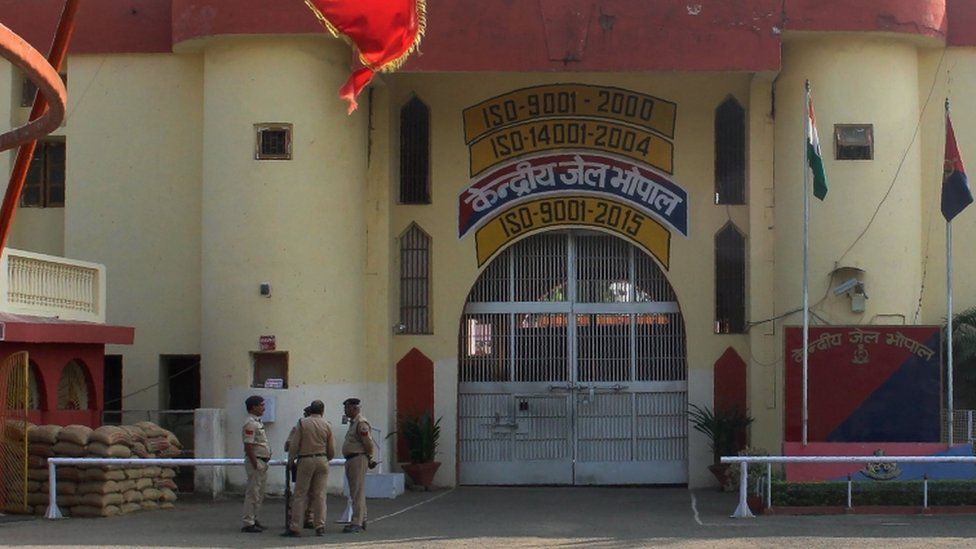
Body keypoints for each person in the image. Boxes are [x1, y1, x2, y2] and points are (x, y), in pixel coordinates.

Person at [282, 400, 336, 537]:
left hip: (306, 459)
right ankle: (320, 526)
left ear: (310, 410)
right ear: (322, 411)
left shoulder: (302, 423)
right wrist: (327, 458)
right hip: (322, 459)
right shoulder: (327, 425)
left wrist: (291, 459)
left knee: (300, 494)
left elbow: (294, 444)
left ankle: (295, 527)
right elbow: (331, 448)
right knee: (320, 495)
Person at [341, 397, 375, 534]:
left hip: (358, 458)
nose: (345, 411)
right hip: (352, 459)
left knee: (357, 492)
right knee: (356, 491)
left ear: (354, 408)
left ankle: (357, 522)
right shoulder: (353, 423)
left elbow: (368, 443)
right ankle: (362, 519)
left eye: (347, 408)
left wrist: (370, 457)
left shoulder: (361, 423)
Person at [241, 395, 271, 533]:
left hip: (262, 461)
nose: (264, 408)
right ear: (253, 407)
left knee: (259, 492)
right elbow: (249, 445)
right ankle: (248, 522)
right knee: (253, 492)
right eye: (261, 405)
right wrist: (255, 463)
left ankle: (255, 518)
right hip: (256, 461)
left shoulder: (257, 422)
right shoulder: (250, 423)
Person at [284, 405, 316, 529]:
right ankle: (293, 517)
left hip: (313, 462)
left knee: (313, 492)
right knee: (299, 492)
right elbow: (288, 445)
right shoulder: (298, 428)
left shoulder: (322, 426)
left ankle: (310, 517)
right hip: (301, 462)